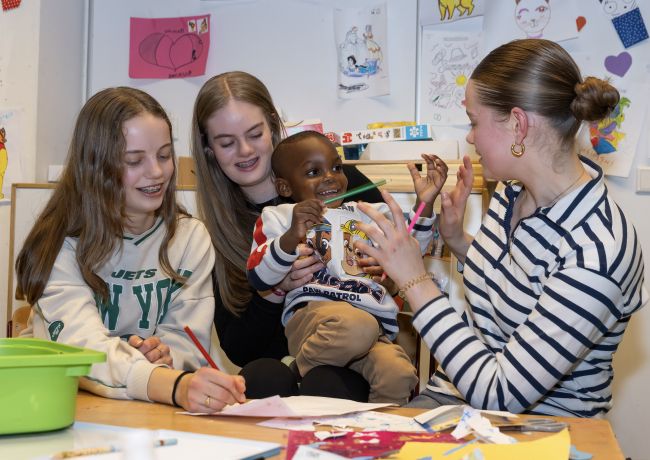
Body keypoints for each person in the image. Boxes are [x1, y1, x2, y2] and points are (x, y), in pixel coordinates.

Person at [354, 39, 647, 417]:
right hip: (458, 396)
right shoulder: (513, 191)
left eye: (475, 122)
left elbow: (500, 393)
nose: (471, 137)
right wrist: (458, 241)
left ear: (518, 125)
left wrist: (416, 282)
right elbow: (520, 284)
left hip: (542, 427)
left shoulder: (598, 252)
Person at [16, 87, 245, 413]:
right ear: (96, 167)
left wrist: (165, 355)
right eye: (134, 160)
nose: (157, 172)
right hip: (57, 402)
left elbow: (187, 342)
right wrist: (171, 383)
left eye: (164, 155)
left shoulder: (190, 237)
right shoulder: (60, 245)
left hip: (146, 400)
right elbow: (84, 352)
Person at [191, 71, 384, 400]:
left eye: (255, 134)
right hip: (279, 365)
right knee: (261, 377)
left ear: (272, 125)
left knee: (327, 383)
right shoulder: (217, 232)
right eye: (226, 142)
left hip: (355, 351)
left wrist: (380, 269)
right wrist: (276, 289)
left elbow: (398, 264)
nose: (245, 150)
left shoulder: (336, 180)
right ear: (209, 149)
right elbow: (240, 349)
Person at [246, 131, 447, 404]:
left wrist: (424, 204)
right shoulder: (280, 217)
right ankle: (299, 371)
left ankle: (375, 438)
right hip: (316, 320)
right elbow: (258, 276)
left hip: (374, 327)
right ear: (284, 188)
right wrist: (291, 236)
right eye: (314, 171)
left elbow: (409, 248)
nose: (330, 176)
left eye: (337, 167)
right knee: (356, 327)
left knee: (399, 374)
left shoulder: (366, 211)